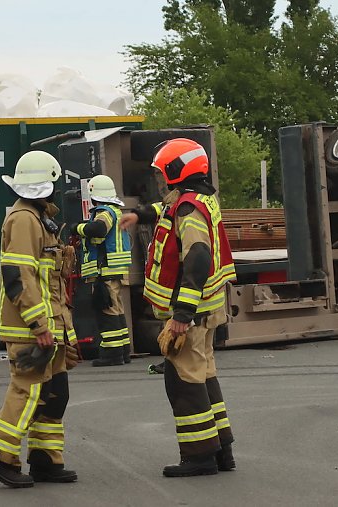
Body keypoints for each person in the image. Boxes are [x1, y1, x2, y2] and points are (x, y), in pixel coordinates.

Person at [120, 138, 237, 477]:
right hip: (208, 309)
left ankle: (199, 456)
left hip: (193, 313)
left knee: (183, 381)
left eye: (163, 174)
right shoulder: (198, 199)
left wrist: (182, 316)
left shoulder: (188, 208)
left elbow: (197, 257)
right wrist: (139, 214)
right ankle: (221, 451)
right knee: (204, 377)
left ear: (177, 171)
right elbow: (166, 209)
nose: (161, 181)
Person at [0, 151, 79, 488]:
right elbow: (19, 275)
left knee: (55, 393)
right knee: (28, 391)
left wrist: (65, 330)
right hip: (31, 328)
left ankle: (46, 460)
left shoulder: (39, 219)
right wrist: (39, 325)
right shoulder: (23, 219)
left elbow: (51, 280)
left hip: (51, 325)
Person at [74, 175, 133, 367]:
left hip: (104, 270)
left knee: (106, 310)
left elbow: (98, 229)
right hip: (114, 269)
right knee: (116, 310)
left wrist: (78, 228)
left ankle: (112, 353)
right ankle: (123, 351)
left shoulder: (104, 212)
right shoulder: (116, 211)